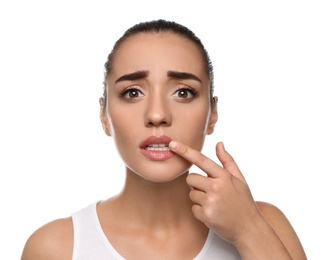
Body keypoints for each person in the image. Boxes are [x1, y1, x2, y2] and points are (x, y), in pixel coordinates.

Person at [21, 19, 307, 260]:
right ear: (104, 115)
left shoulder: (265, 225)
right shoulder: (56, 248)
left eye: (183, 92)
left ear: (212, 115)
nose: (157, 115)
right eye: (133, 92)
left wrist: (247, 230)